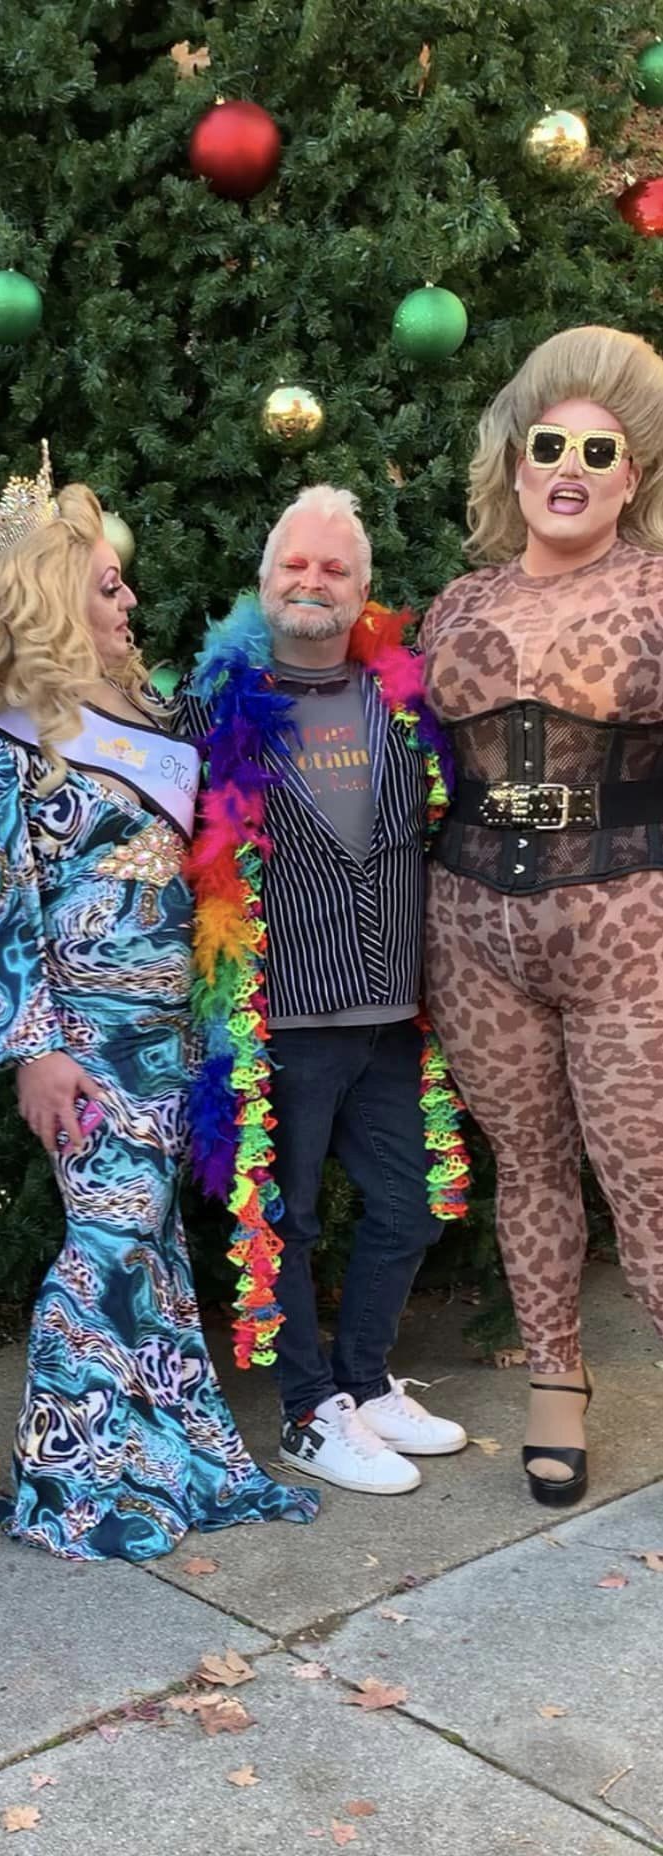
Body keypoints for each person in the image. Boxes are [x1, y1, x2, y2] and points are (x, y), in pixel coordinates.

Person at [0, 443, 318, 1561]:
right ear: (53, 604)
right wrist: (33, 1053)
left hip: (171, 1032)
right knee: (105, 1242)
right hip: (85, 1042)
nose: (130, 601)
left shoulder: (145, 707)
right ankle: (68, 1482)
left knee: (148, 1245)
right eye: (107, 586)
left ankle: (166, 1453)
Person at [188, 485, 470, 1498]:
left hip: (393, 1010)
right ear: (264, 579)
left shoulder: (407, 700)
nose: (311, 581)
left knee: (411, 1203)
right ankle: (309, 1411)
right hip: (282, 1019)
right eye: (294, 565)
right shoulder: (213, 708)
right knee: (287, 1221)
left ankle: (362, 1380)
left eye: (333, 568)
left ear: (362, 589)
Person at [423, 325, 663, 1507]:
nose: (568, 468)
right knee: (524, 1166)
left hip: (628, 922)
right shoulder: (455, 601)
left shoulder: (656, 589)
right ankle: (553, 1384)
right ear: (513, 460)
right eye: (548, 445)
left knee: (646, 1172)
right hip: (470, 927)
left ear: (631, 476)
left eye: (597, 451)